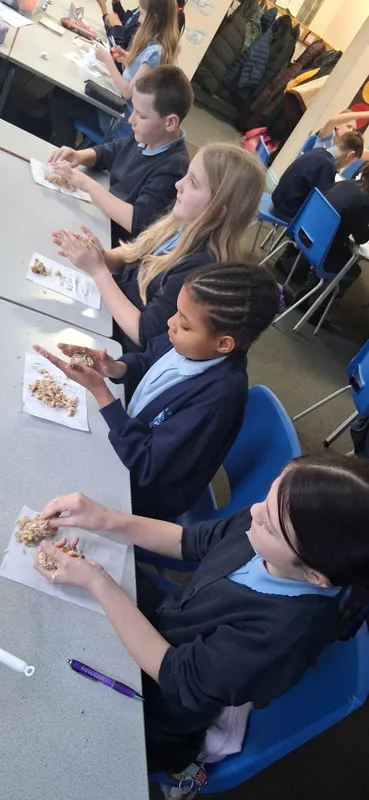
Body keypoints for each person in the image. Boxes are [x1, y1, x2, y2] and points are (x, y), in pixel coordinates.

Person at [34, 455, 369, 776]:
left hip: (159, 705)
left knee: (48, 713)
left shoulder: (283, 637)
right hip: (167, 622)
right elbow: (190, 540)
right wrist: (104, 518)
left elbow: (176, 673)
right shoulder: (271, 522)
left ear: (316, 577)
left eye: (269, 524)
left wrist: (98, 583)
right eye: (266, 500)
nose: (253, 512)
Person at [34, 262, 279, 520]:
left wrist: (101, 392)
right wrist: (115, 368)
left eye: (184, 324)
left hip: (142, 494)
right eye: (177, 312)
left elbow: (147, 465)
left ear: (223, 343)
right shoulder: (191, 345)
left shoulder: (218, 400)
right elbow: (149, 359)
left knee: (47, 477)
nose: (170, 322)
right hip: (132, 441)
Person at [51, 144, 267, 353]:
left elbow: (143, 332)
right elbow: (132, 255)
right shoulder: (179, 225)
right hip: (106, 317)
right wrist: (102, 256)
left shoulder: (199, 269)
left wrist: (98, 271)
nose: (178, 185)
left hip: (116, 346)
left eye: (193, 183)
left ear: (218, 211)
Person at [48, 67, 192, 246]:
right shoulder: (147, 137)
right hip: (101, 218)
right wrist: (79, 155)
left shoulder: (173, 167)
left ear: (170, 123)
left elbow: (137, 222)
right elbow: (112, 151)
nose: (131, 120)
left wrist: (87, 184)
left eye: (141, 115)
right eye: (134, 110)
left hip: (113, 242)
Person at [50, 0, 180, 147]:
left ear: (155, 18)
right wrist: (126, 57)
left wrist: (108, 60)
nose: (138, 19)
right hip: (118, 109)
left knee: (60, 102)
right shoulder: (153, 45)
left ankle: (64, 151)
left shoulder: (156, 53)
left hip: (119, 119)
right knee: (63, 95)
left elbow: (128, 92)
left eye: (142, 14)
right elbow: (140, 71)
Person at [292, 164, 369, 324]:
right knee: (353, 270)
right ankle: (317, 312)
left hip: (305, 234)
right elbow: (361, 238)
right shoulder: (365, 201)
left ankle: (307, 288)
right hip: (322, 250)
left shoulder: (347, 184)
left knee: (342, 252)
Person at [272, 130, 364, 221]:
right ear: (350, 155)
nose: (348, 164)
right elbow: (321, 201)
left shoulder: (319, 151)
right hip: (287, 209)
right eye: (352, 161)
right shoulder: (327, 165)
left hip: (278, 197)